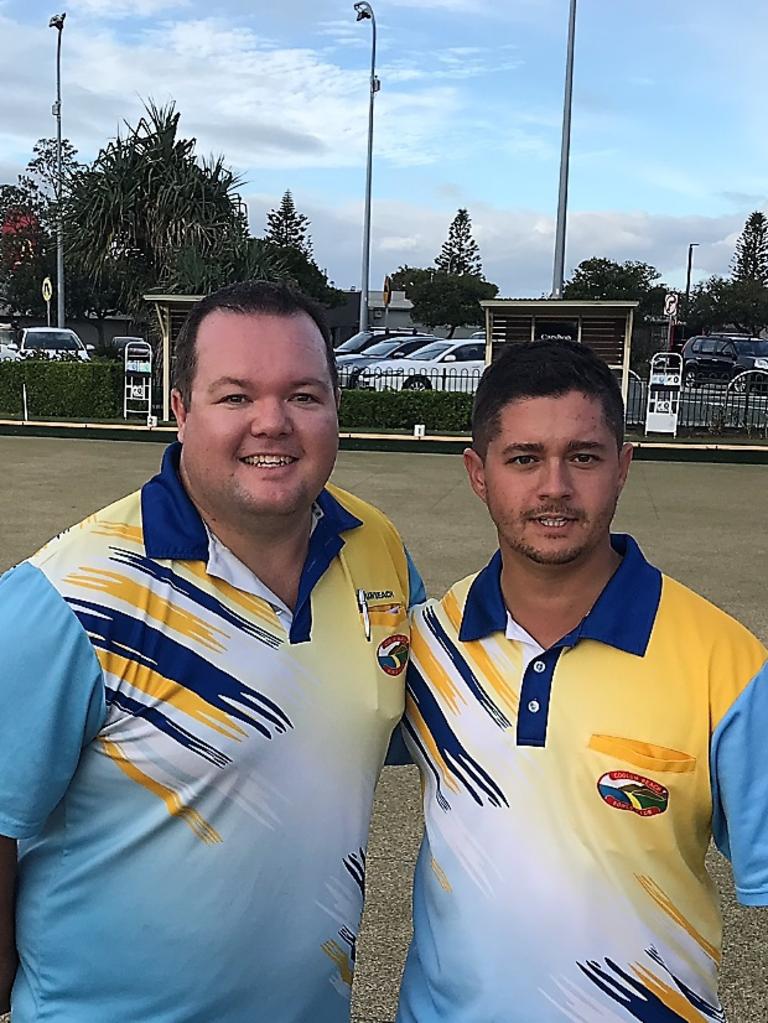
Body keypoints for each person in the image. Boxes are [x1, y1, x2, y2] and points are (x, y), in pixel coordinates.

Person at [0, 280, 423, 1023]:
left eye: (303, 395)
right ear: (181, 412)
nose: (273, 423)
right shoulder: (64, 598)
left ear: (335, 407)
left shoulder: (379, 550)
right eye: (235, 397)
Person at [398, 339, 768, 1023]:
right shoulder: (426, 645)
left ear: (624, 467)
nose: (555, 487)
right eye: (524, 458)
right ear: (479, 472)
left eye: (585, 457)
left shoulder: (729, 663)